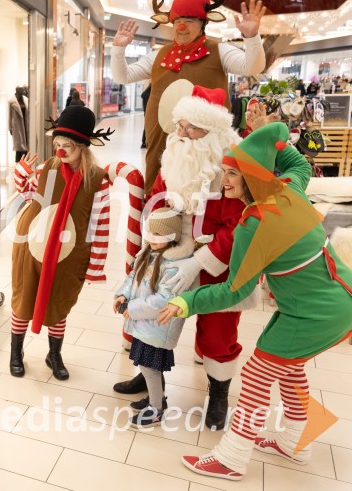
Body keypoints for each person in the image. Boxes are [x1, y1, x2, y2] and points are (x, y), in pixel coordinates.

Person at [158, 122, 352, 481]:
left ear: (252, 177)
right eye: (224, 172)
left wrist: (186, 302)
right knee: (289, 367)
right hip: (339, 301)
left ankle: (231, 458)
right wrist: (271, 138)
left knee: (257, 373)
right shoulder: (289, 190)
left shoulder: (254, 224)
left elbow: (232, 291)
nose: (224, 181)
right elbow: (299, 164)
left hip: (313, 314)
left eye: (232, 174)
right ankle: (295, 442)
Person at [113, 85, 248, 431]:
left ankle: (218, 394)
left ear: (214, 131)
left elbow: (240, 225)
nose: (182, 134)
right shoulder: (173, 157)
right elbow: (156, 199)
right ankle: (149, 377)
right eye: (181, 125)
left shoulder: (232, 169)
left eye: (192, 128)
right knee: (151, 320)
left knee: (217, 333)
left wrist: (199, 263)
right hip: (168, 256)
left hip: (216, 263)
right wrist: (153, 236)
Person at [111, 0, 266, 194]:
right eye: (177, 21)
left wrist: (252, 38)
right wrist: (118, 50)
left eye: (189, 20)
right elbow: (123, 77)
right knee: (161, 203)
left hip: (205, 147)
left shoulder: (218, 50)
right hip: (162, 143)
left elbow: (252, 67)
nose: (181, 27)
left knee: (206, 199)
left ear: (203, 23)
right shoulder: (159, 54)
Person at [10, 105, 114, 380]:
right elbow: (26, 195)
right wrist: (22, 172)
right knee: (23, 299)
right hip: (31, 244)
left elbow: (100, 224)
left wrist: (96, 265)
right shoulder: (47, 167)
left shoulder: (97, 179)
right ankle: (15, 351)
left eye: (67, 145)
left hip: (70, 252)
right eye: (57, 144)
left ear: (83, 145)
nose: (60, 150)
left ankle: (53, 354)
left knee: (59, 303)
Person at [114, 208, 192, 426]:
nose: (151, 239)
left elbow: (163, 300)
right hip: (145, 325)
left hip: (158, 327)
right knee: (148, 367)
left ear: (171, 236)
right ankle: (156, 398)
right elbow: (133, 277)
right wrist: (123, 294)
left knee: (150, 369)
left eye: (158, 235)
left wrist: (134, 308)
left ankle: (156, 410)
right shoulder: (147, 253)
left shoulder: (175, 265)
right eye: (150, 233)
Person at [8, 85, 29, 163]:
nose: (22, 92)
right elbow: (9, 116)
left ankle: (26, 161)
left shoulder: (25, 99)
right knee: (19, 146)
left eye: (22, 91)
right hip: (17, 125)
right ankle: (18, 162)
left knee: (26, 143)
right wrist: (10, 128)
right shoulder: (11, 102)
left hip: (26, 124)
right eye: (20, 91)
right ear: (16, 91)